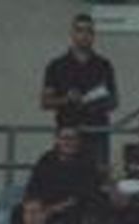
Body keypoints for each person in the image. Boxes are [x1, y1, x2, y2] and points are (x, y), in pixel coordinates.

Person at [41, 13, 118, 165]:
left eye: (89, 31)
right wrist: (66, 99)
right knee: (65, 175)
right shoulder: (57, 65)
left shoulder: (104, 65)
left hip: (96, 132)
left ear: (94, 35)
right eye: (80, 30)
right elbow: (45, 102)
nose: (84, 35)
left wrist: (95, 102)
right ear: (72, 34)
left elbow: (114, 101)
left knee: (97, 177)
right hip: (67, 132)